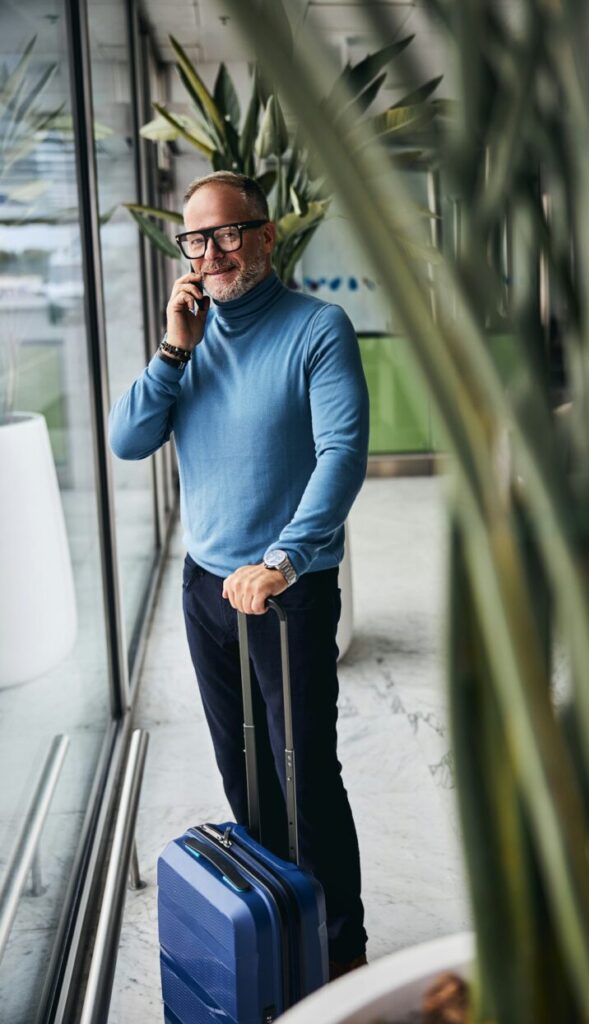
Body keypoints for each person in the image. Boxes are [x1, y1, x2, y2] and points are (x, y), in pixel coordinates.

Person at [109, 170, 370, 979]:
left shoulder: (316, 328)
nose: (212, 251)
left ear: (265, 236)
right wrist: (170, 347)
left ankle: (341, 958)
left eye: (227, 233)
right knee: (243, 775)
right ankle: (278, 938)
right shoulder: (187, 344)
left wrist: (282, 560)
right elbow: (127, 439)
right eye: (195, 238)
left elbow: (342, 454)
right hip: (205, 589)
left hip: (285, 591)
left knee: (305, 780)